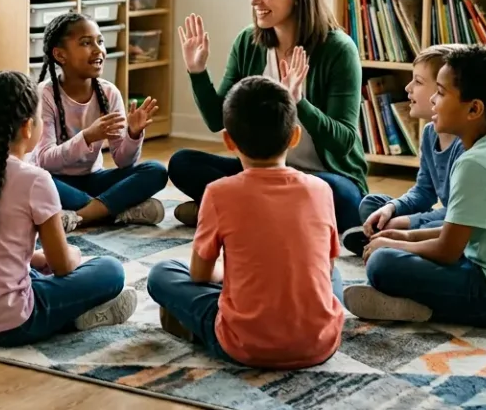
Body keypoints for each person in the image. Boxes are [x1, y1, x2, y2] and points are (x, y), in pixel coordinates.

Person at [345, 45, 486, 327]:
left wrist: (393, 243)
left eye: (440, 92)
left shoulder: (476, 163)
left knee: (382, 264)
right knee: (390, 251)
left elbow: (447, 250)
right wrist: (403, 238)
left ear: (474, 109)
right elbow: (459, 234)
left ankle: (416, 305)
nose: (433, 101)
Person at [0, 70, 138, 346]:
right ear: (27, 127)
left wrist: (32, 258)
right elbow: (62, 266)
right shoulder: (35, 180)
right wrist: (74, 255)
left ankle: (68, 312)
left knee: (32, 272)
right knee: (110, 270)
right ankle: (76, 316)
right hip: (8, 323)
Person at [146, 76, 345, 369]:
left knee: (162, 273)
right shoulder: (321, 189)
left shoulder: (218, 193)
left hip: (244, 346)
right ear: (295, 136)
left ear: (228, 140)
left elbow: (200, 276)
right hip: (321, 344)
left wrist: (230, 273)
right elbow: (325, 268)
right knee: (334, 274)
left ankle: (193, 325)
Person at [169, 0, 367, 232]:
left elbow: (344, 141)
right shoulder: (248, 43)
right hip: (260, 172)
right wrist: (197, 72)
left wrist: (299, 102)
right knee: (182, 163)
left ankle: (229, 211)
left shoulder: (338, 50)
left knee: (346, 201)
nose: (255, 0)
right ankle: (262, 215)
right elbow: (217, 120)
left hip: (322, 176)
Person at [33, 12, 168, 231]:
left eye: (100, 41)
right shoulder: (44, 95)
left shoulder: (109, 93)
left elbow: (123, 162)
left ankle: (82, 215)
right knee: (36, 181)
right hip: (56, 181)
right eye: (86, 43)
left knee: (156, 171)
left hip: (94, 179)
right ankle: (117, 210)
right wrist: (87, 137)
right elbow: (45, 160)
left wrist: (133, 135)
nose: (98, 50)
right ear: (60, 55)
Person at [342, 44, 466, 255]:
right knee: (372, 204)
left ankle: (390, 242)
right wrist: (392, 209)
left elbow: (459, 216)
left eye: (417, 81)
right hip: (441, 217)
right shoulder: (429, 133)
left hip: (457, 223)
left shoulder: (465, 145)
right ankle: (388, 239)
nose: (408, 88)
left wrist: (407, 223)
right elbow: (424, 192)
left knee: (417, 230)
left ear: (441, 89)